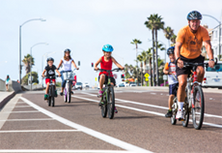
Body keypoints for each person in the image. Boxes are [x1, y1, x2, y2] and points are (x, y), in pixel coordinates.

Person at [175, 10, 215, 120]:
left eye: (197, 21)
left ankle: (197, 88)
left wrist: (211, 59)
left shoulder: (203, 31)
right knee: (182, 82)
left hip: (196, 57)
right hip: (183, 57)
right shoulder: (183, 31)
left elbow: (207, 46)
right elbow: (177, 46)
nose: (195, 24)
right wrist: (178, 59)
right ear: (189, 22)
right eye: (193, 21)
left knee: (201, 71)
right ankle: (180, 109)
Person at [94, 44, 124, 113]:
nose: (108, 54)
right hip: (103, 75)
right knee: (102, 76)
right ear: (103, 52)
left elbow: (116, 63)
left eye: (109, 52)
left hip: (110, 75)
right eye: (106, 52)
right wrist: (96, 67)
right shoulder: (101, 58)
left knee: (111, 86)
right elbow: (96, 64)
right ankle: (101, 90)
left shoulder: (111, 58)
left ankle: (113, 106)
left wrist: (121, 67)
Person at [163, 46, 178, 118]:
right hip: (172, 81)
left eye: (173, 55)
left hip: (180, 80)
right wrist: (166, 72)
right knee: (171, 95)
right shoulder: (168, 64)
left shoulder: (179, 63)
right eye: (170, 55)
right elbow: (164, 70)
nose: (172, 57)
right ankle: (169, 110)